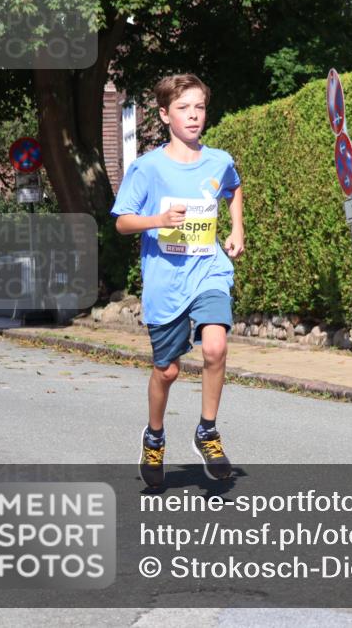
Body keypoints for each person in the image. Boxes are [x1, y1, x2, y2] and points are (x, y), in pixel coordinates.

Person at [111, 73, 245, 486]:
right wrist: (158, 220)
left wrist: (237, 229)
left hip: (208, 269)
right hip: (166, 281)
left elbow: (233, 188)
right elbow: (122, 222)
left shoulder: (219, 161)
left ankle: (208, 431)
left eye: (199, 107)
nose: (193, 115)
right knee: (167, 371)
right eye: (183, 108)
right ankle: (154, 436)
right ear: (165, 115)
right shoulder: (147, 168)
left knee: (215, 347)